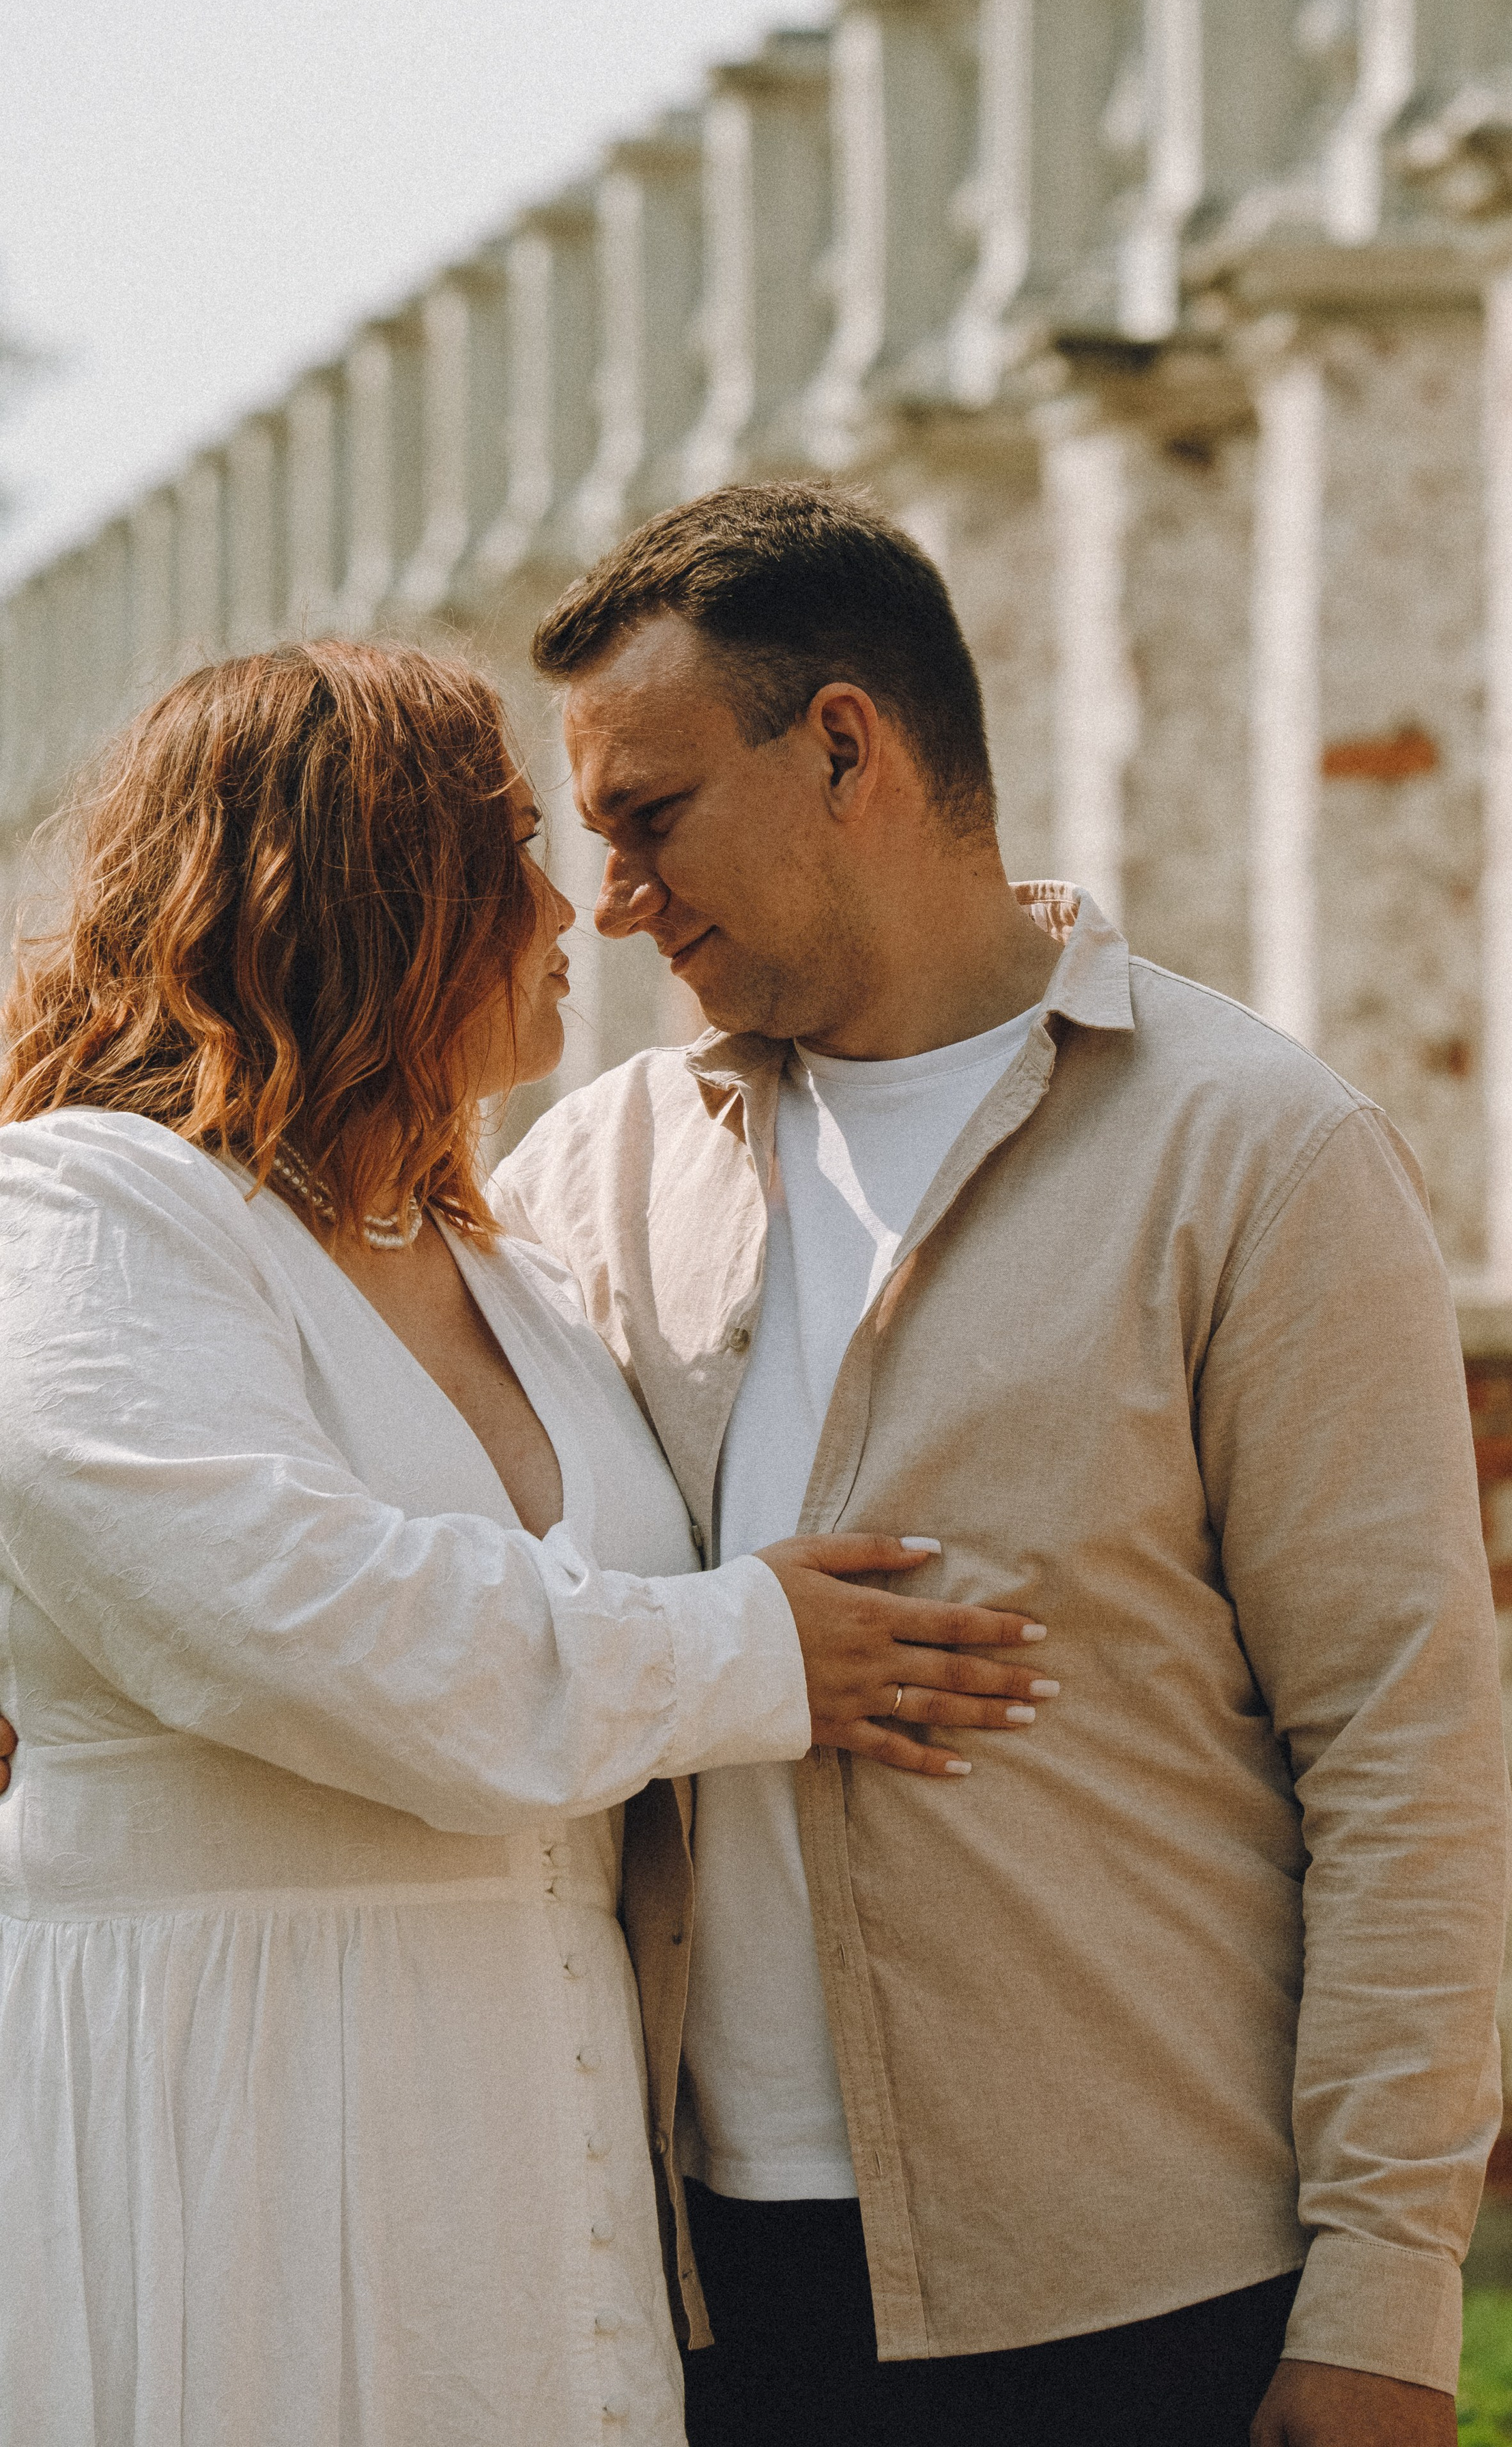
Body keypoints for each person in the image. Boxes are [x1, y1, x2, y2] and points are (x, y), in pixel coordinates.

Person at [488, 483, 1512, 2447]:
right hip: (687, 2286)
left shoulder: (1260, 1156)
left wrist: (1389, 2292)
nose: (614, 896)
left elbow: (1405, 1747)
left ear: (848, 747)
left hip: (1144, 2290)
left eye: (650, 815)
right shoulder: (593, 1173)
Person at [0, 639, 1055, 2447]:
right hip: (235, 2108)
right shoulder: (85, 1213)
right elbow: (311, 1623)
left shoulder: (516, 1272)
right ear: (366, 892)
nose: (582, 906)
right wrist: (758, 1655)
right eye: (512, 854)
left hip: (533, 2122)